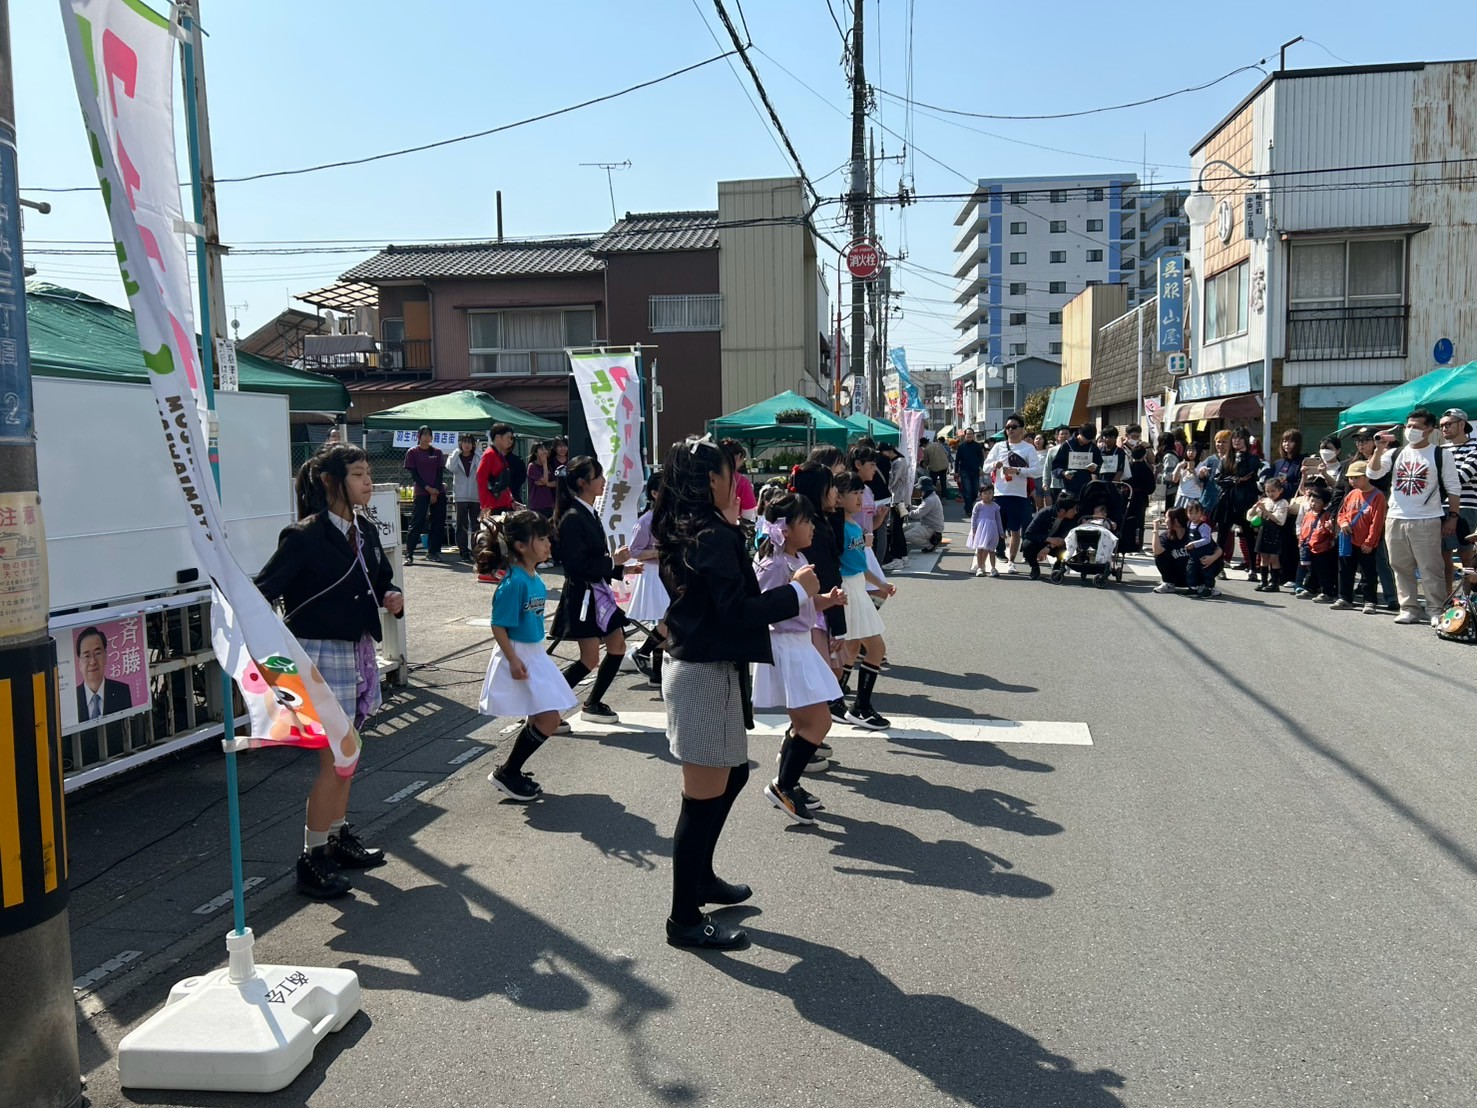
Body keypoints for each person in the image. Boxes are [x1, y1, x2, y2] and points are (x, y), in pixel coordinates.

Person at [655, 436, 820, 951]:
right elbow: (737, 612)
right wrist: (797, 592)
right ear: (712, 479)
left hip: (706, 668)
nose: (739, 482)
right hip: (704, 673)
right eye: (733, 472)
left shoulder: (692, 527)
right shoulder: (711, 535)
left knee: (732, 776)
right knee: (700, 800)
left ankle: (701, 879)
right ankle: (684, 918)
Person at [255, 443, 403, 898]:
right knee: (336, 758)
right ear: (328, 481)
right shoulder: (302, 536)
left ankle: (336, 838)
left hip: (356, 651)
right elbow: (262, 592)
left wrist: (391, 595)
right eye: (358, 474)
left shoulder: (365, 530)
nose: (367, 481)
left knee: (347, 754)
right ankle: (312, 856)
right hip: (319, 655)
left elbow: (379, 580)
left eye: (367, 472)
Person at [753, 493, 847, 824]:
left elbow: (803, 602)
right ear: (785, 529)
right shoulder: (774, 564)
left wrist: (827, 600)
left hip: (800, 644)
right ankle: (783, 785)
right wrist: (800, 592)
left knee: (806, 722)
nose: (812, 527)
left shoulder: (798, 558)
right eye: (805, 521)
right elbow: (766, 608)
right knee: (818, 722)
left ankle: (787, 783)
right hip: (787, 647)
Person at [476, 510, 575, 801]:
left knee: (543, 717)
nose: (548, 544)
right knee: (549, 719)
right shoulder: (514, 582)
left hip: (533, 653)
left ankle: (511, 771)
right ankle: (508, 772)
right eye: (541, 539)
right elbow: (498, 625)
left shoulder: (533, 577)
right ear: (520, 546)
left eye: (547, 538)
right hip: (519, 654)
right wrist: (512, 659)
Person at [550, 456, 632, 721]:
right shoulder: (573, 517)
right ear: (582, 483)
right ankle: (544, 712)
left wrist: (620, 568)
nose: (603, 481)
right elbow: (576, 564)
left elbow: (593, 559)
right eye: (597, 476)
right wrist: (614, 562)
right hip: (583, 597)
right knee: (589, 659)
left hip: (596, 594)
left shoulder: (586, 512)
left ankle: (592, 703)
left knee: (617, 646)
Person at [1365, 408, 1461, 624]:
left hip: (1427, 519)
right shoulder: (1394, 453)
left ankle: (1435, 609)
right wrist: (1379, 450)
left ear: (1430, 429)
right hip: (1396, 517)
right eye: (1408, 426)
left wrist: (1453, 516)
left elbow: (1454, 488)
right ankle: (1409, 608)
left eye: (1416, 427)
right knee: (1400, 566)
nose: (1410, 430)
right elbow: (1373, 473)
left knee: (1430, 567)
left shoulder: (1441, 454)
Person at [834, 473, 896, 729]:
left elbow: (860, 566)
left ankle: (837, 699)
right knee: (875, 648)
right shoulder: (837, 527)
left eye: (861, 493)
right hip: (848, 589)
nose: (860, 498)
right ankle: (860, 707)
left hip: (857, 586)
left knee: (852, 647)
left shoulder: (854, 525)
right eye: (854, 493)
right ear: (837, 497)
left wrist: (881, 584)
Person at [792, 463, 849, 724]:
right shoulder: (812, 529)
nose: (836, 492)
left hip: (822, 608)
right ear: (819, 490)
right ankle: (803, 736)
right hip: (818, 611)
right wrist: (839, 626)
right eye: (832, 486)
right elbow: (827, 577)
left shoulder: (816, 522)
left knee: (830, 673)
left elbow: (837, 552)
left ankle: (808, 733)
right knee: (824, 676)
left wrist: (835, 513)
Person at [627, 470, 671, 690]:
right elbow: (634, 551)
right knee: (667, 621)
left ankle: (656, 674)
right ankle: (643, 653)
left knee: (664, 622)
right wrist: (658, 551)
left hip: (666, 573)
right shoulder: (646, 521)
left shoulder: (669, 516)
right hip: (654, 574)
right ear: (654, 493)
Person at [1344, 428, 1398, 609]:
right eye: (1357, 441)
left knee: (1381, 558)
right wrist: (1340, 517)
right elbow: (1343, 491)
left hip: (1379, 513)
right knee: (1354, 560)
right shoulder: (1353, 463)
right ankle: (1355, 593)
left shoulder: (1387, 458)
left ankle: (1391, 597)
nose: (1360, 444)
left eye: (1365, 440)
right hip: (1354, 518)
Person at [983, 412, 1041, 572]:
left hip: (1019, 495)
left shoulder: (1028, 448)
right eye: (1007, 427)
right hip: (1000, 494)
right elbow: (985, 467)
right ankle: (998, 555)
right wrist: (995, 464)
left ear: (1022, 430)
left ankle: (1012, 561)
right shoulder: (998, 446)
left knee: (1015, 531)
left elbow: (1037, 471)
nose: (1010, 430)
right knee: (997, 530)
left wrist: (1018, 470)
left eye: (1014, 427)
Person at [1335, 460, 1388, 614]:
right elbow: (1342, 513)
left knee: (1368, 573)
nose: (1352, 481)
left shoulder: (1377, 496)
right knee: (1345, 570)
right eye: (1350, 478)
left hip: (1365, 543)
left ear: (1368, 476)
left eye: (1356, 477)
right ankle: (1345, 598)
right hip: (1348, 540)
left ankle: (1370, 601)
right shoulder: (1351, 494)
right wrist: (1343, 522)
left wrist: (1370, 542)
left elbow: (1377, 521)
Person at [1214, 428, 1261, 576]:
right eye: (1234, 438)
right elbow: (1218, 479)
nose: (1237, 441)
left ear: (1246, 440)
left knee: (1249, 535)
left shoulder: (1253, 459)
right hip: (1228, 500)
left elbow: (1247, 474)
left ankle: (1253, 568)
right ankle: (1219, 567)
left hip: (1246, 501)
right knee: (1222, 535)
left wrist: (1240, 459)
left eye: (1240, 438)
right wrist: (1235, 480)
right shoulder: (1225, 458)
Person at [1439, 408, 1477, 590]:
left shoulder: (1475, 447)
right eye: (1441, 426)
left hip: (1466, 507)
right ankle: (1447, 599)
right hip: (1439, 507)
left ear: (1462, 424)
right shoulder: (1440, 449)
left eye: (1448, 424)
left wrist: (1439, 479)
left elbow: (1462, 477)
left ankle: (1467, 599)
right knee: (1443, 557)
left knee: (1466, 556)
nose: (1444, 428)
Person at [403, 425, 447, 565]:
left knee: (438, 522)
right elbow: (414, 475)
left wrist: (435, 491)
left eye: (429, 434)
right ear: (418, 436)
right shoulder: (412, 452)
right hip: (421, 492)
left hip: (438, 492)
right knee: (417, 522)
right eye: (424, 434)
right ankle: (409, 554)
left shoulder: (437, 452)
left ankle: (433, 552)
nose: (427, 437)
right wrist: (428, 489)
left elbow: (440, 473)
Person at [74, 627, 132, 720]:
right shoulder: (72, 697)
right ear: (79, 664)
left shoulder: (122, 691)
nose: (93, 662)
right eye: (86, 656)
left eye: (97, 653)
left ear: (105, 656)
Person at [1294, 486, 1336, 602]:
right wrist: (1301, 541)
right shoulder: (1308, 514)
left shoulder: (1326, 516)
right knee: (1311, 570)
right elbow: (1304, 528)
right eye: (1312, 500)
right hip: (1309, 547)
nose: (1313, 504)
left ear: (1325, 504)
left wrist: (1330, 528)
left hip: (1322, 548)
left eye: (1317, 502)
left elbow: (1330, 533)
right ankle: (1310, 589)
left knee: (1323, 571)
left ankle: (1327, 592)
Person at [1021, 493, 1079, 579]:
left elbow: (1066, 537)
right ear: (1062, 511)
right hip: (1040, 541)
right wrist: (1048, 539)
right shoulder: (1045, 513)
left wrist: (1049, 547)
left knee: (1068, 545)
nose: (1076, 512)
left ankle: (1058, 566)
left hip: (1057, 544)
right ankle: (1034, 567)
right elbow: (1029, 534)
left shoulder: (1072, 519)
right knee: (1027, 544)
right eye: (1073, 509)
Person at [446, 433, 484, 561]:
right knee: (461, 524)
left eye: (469, 442)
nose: (467, 445)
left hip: (475, 495)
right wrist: (457, 452)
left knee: (476, 524)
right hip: (460, 496)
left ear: (473, 444)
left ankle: (476, 550)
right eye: (464, 442)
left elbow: (482, 467)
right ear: (460, 444)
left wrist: (478, 451)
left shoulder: (477, 456)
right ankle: (463, 551)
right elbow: (450, 467)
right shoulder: (456, 456)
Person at [1249, 477, 1289, 592]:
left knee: (1274, 558)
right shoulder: (1265, 501)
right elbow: (1251, 516)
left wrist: (1265, 511)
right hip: (1263, 530)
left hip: (1275, 531)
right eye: (1267, 491)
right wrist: (1255, 508)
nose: (1270, 494)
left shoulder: (1283, 502)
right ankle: (1263, 581)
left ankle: (1274, 582)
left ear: (1280, 490)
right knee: (1263, 557)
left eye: (1273, 491)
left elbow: (1279, 520)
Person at [1183, 500, 1223, 598]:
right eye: (1190, 513)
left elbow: (1207, 539)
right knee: (1190, 570)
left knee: (1207, 572)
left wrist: (1194, 544)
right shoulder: (1188, 524)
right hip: (1193, 555)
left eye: (1196, 513)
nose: (1193, 516)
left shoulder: (1204, 526)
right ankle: (1193, 587)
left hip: (1205, 554)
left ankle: (1209, 588)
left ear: (1202, 513)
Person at [476, 423, 517, 515]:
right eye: (508, 437)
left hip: (503, 503)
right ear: (498, 437)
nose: (510, 441)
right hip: (493, 505)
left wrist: (511, 500)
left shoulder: (500, 455)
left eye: (511, 438)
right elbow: (481, 479)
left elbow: (503, 482)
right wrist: (485, 506)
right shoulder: (489, 454)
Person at [1122, 444, 1156, 554]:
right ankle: (1138, 545)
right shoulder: (1146, 469)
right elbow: (1151, 488)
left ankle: (1127, 543)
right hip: (1141, 498)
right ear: (1144, 455)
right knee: (1139, 523)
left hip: (1128, 497)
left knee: (1126, 520)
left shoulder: (1128, 467)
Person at [1055, 424, 1102, 500]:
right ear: (1080, 433)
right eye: (1086, 438)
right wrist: (1063, 473)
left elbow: (1099, 463)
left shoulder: (1093, 447)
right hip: (1069, 489)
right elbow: (1056, 466)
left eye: (1090, 439)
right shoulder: (1066, 446)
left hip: (1087, 488)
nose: (1087, 441)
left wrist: (1095, 468)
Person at [1151, 508, 1192, 593]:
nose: (1165, 520)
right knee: (1160, 555)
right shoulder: (1167, 535)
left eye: (1167, 518)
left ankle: (1206, 585)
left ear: (1175, 520)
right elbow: (1157, 551)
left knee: (1215, 558)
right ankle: (1168, 583)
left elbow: (1217, 549)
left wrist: (1212, 558)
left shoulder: (1193, 533)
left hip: (1193, 577)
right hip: (1175, 578)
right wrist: (1155, 530)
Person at [968, 484, 1003, 577]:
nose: (988, 495)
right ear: (980, 494)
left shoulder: (995, 506)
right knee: (980, 549)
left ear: (993, 494)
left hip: (992, 530)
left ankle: (993, 568)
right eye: (985, 493)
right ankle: (980, 567)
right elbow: (973, 518)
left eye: (990, 493)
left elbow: (998, 519)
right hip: (981, 530)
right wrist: (974, 530)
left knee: (992, 549)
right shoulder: (978, 505)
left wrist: (1001, 532)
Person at [721, 439, 760, 523]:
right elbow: (749, 514)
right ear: (739, 457)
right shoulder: (742, 481)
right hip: (729, 526)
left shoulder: (706, 476)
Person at [903, 476, 945, 552]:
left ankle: (929, 546)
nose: (919, 491)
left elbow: (917, 515)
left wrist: (905, 511)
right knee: (902, 531)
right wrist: (910, 507)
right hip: (928, 525)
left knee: (906, 536)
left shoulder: (929, 500)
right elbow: (921, 508)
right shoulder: (932, 496)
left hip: (931, 528)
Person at [953, 427, 985, 509]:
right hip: (964, 472)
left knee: (975, 492)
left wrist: (981, 468)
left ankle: (968, 506)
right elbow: (957, 460)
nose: (969, 435)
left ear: (973, 435)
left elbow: (981, 458)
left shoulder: (977, 446)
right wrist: (956, 471)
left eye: (971, 434)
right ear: (965, 435)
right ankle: (968, 509)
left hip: (975, 471)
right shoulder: (961, 446)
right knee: (967, 491)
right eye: (967, 434)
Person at [526, 441, 557, 520]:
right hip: (537, 505)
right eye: (541, 449)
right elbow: (545, 480)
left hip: (549, 505)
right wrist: (544, 463)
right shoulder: (532, 466)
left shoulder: (549, 466)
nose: (544, 451)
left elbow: (555, 483)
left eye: (545, 449)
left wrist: (546, 484)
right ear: (535, 453)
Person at [1173, 441, 1208, 509]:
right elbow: (1175, 480)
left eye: (1193, 450)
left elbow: (1201, 485)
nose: (1191, 452)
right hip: (1182, 495)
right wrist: (1179, 467)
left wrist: (1195, 473)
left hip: (1195, 497)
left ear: (1198, 452)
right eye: (1189, 450)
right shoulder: (1181, 464)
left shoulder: (1202, 465)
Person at [922, 435, 951, 500]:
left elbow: (926, 460)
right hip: (944, 465)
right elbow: (947, 453)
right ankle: (944, 496)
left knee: (933, 482)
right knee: (943, 482)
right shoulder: (938, 444)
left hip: (934, 467)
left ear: (924, 444)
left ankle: (933, 496)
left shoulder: (926, 449)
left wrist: (924, 465)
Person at [1158, 439, 1182, 513]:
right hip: (1175, 485)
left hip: (1171, 487)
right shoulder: (1174, 453)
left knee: (1170, 510)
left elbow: (1169, 474)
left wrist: (1162, 476)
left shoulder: (1168, 456)